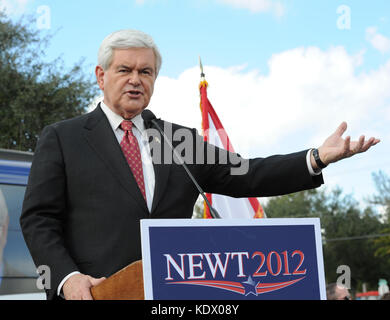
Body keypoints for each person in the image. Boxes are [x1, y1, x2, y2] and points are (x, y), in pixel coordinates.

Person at [20, 29, 380, 300]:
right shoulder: (63, 138)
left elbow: (247, 175)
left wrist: (315, 157)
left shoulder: (179, 141)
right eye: (124, 70)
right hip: (99, 294)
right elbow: (38, 219)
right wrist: (66, 278)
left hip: (176, 297)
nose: (135, 80)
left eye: (146, 72)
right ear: (101, 76)